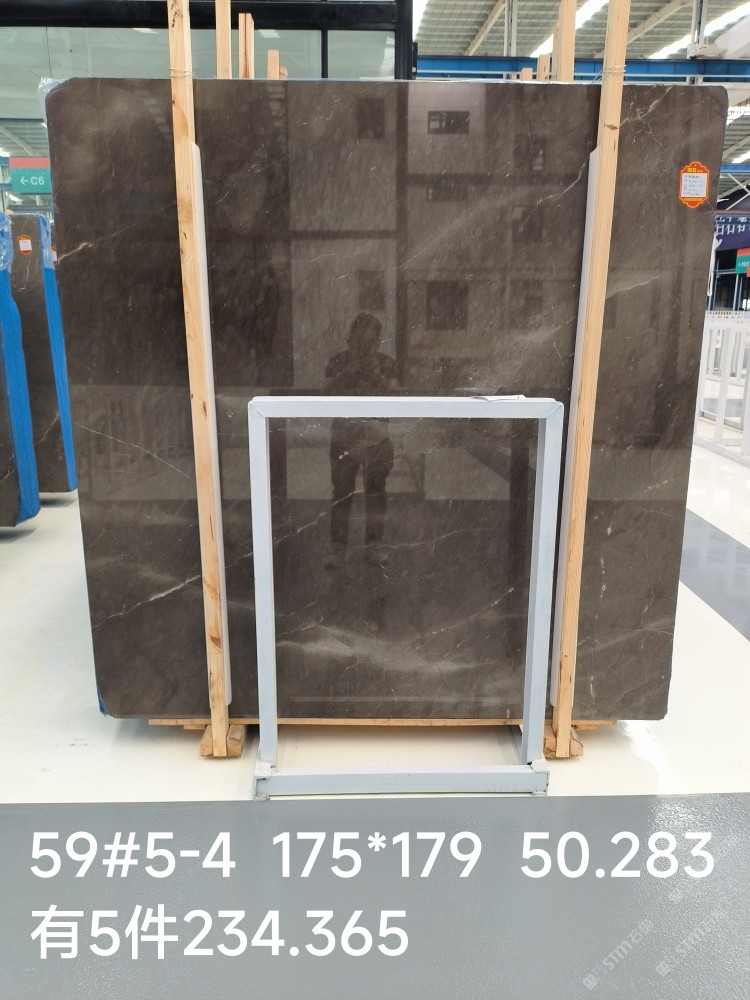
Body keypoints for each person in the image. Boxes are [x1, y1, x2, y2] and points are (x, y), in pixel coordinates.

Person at [322, 313, 399, 568]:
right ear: (349, 341)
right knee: (342, 491)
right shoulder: (338, 362)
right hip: (344, 435)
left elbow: (398, 396)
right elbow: (323, 394)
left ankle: (374, 544)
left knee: (375, 490)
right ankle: (338, 547)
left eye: (369, 344)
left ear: (378, 343)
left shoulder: (386, 364)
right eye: (359, 343)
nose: (364, 350)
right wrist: (347, 371)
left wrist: (377, 376)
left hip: (377, 436)